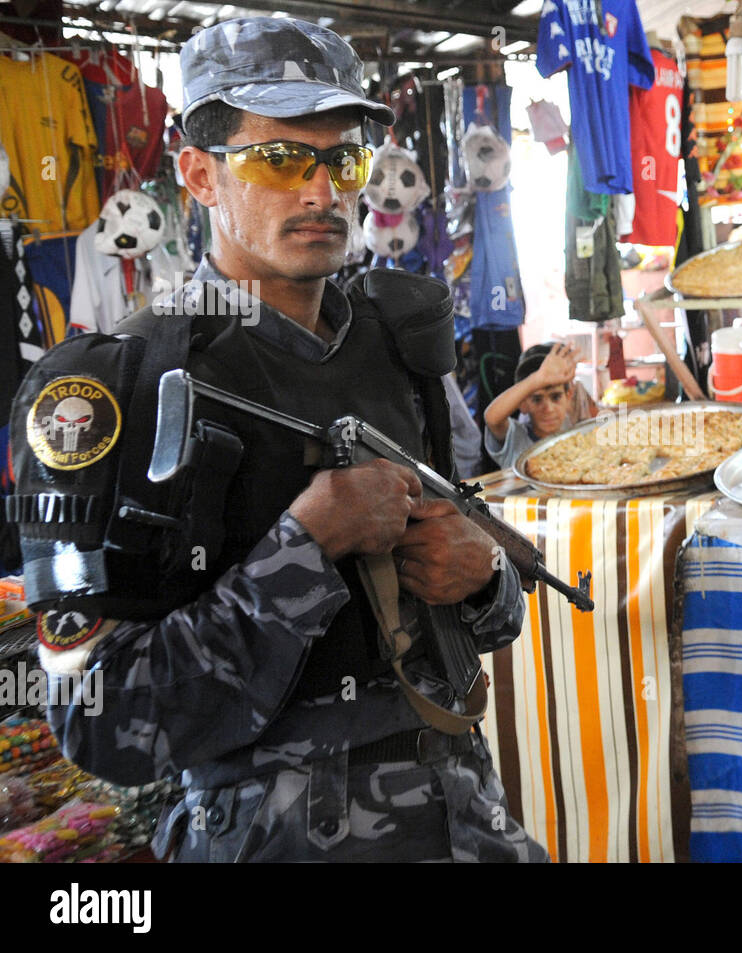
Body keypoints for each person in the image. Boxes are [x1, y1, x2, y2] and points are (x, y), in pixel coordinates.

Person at [8, 17, 547, 862]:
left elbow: (489, 594)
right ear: (199, 174)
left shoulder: (406, 348)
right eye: (281, 159)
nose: (321, 190)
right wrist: (307, 546)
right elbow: (98, 723)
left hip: (464, 817)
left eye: (342, 159)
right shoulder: (108, 391)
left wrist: (482, 581)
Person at [484, 341, 600, 471]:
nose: (548, 409)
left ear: (569, 396)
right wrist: (537, 379)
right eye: (537, 399)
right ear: (522, 404)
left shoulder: (573, 433)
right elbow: (492, 418)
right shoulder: (515, 438)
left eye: (556, 397)